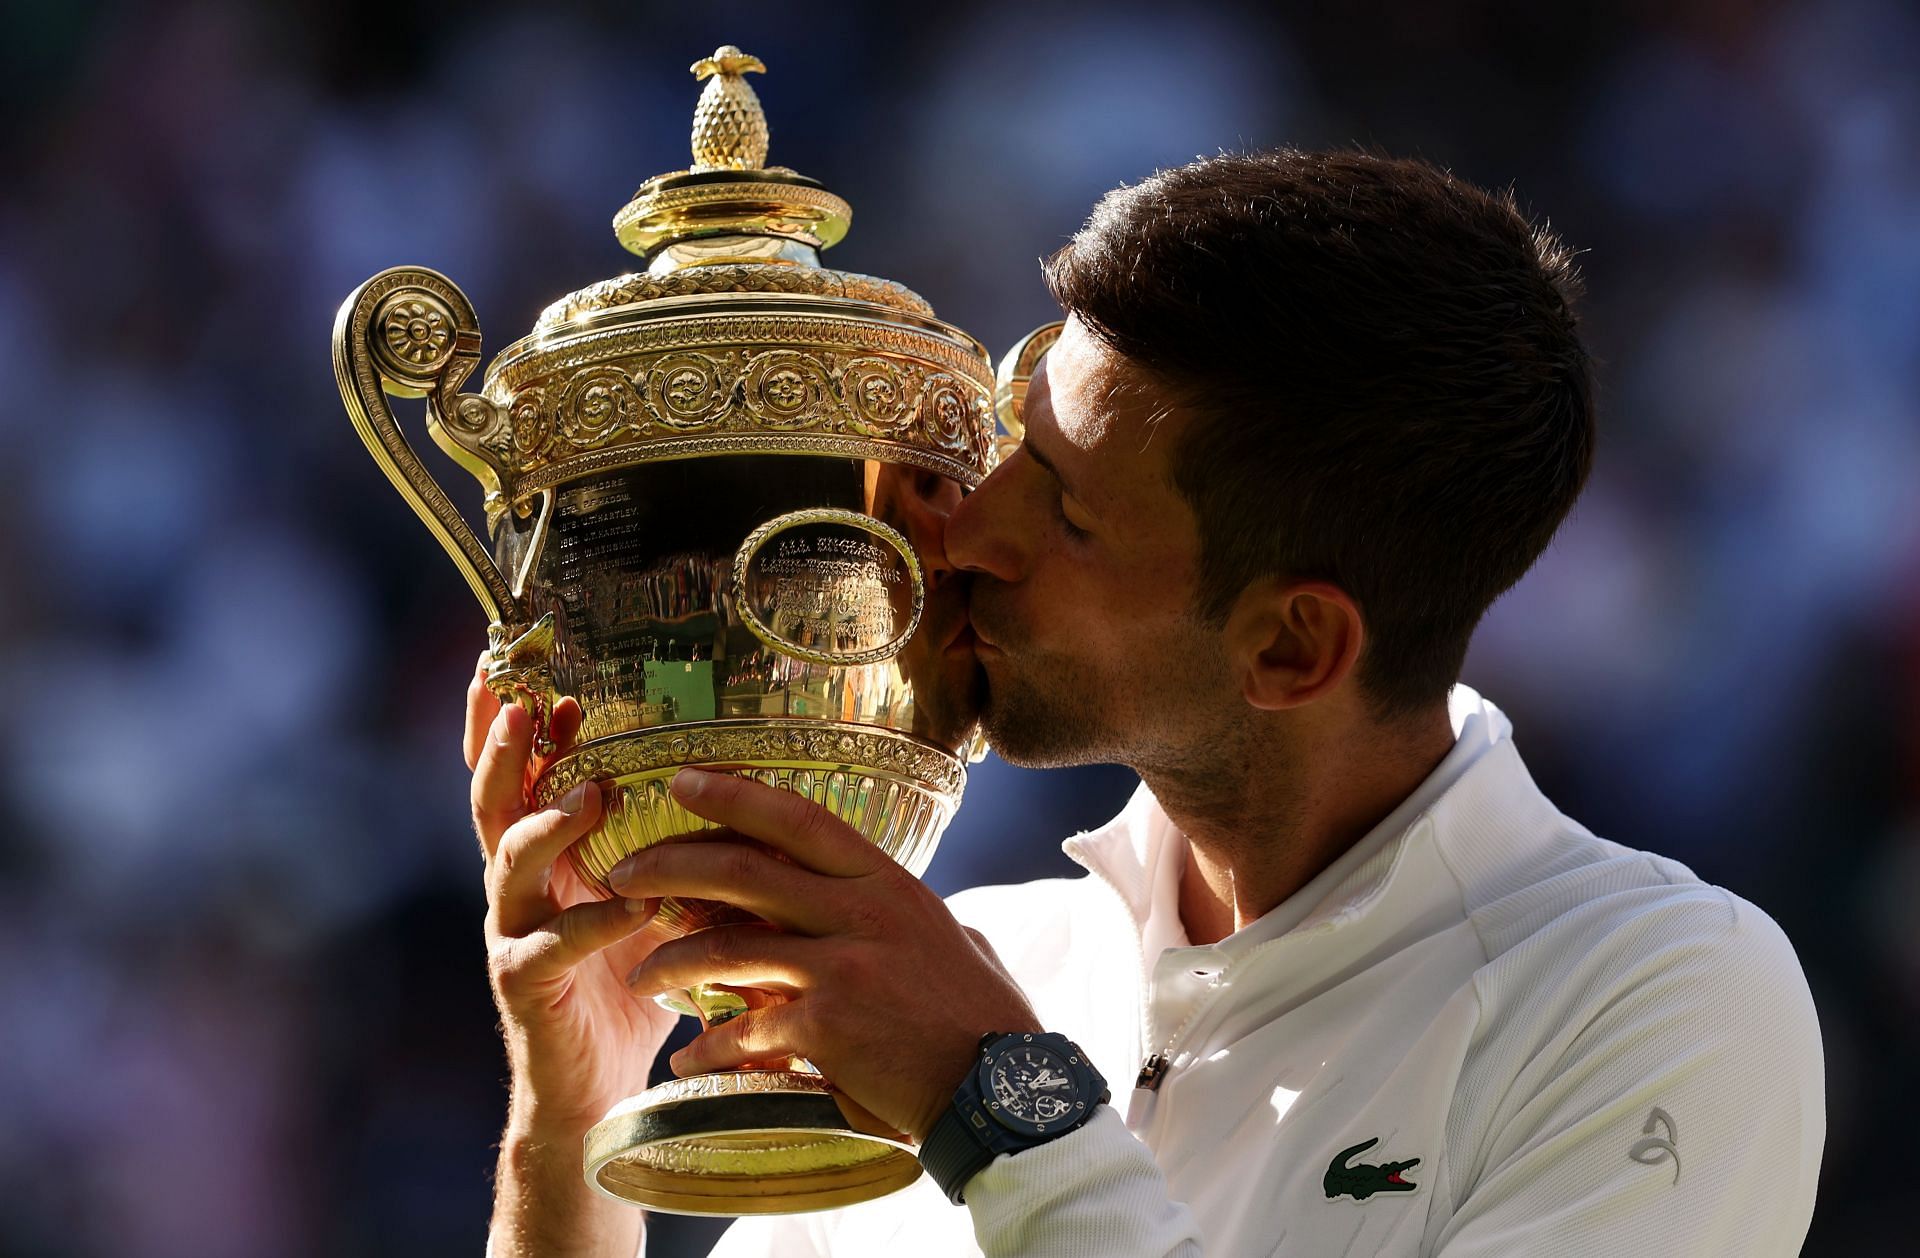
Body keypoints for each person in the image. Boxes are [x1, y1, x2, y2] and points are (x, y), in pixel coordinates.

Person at [465, 150, 1824, 1257]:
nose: (964, 529)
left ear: (1294, 646)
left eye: (1063, 511)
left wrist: (1000, 1101)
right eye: (1014, 437)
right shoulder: (961, 966)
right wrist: (569, 1116)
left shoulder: (1660, 1000)